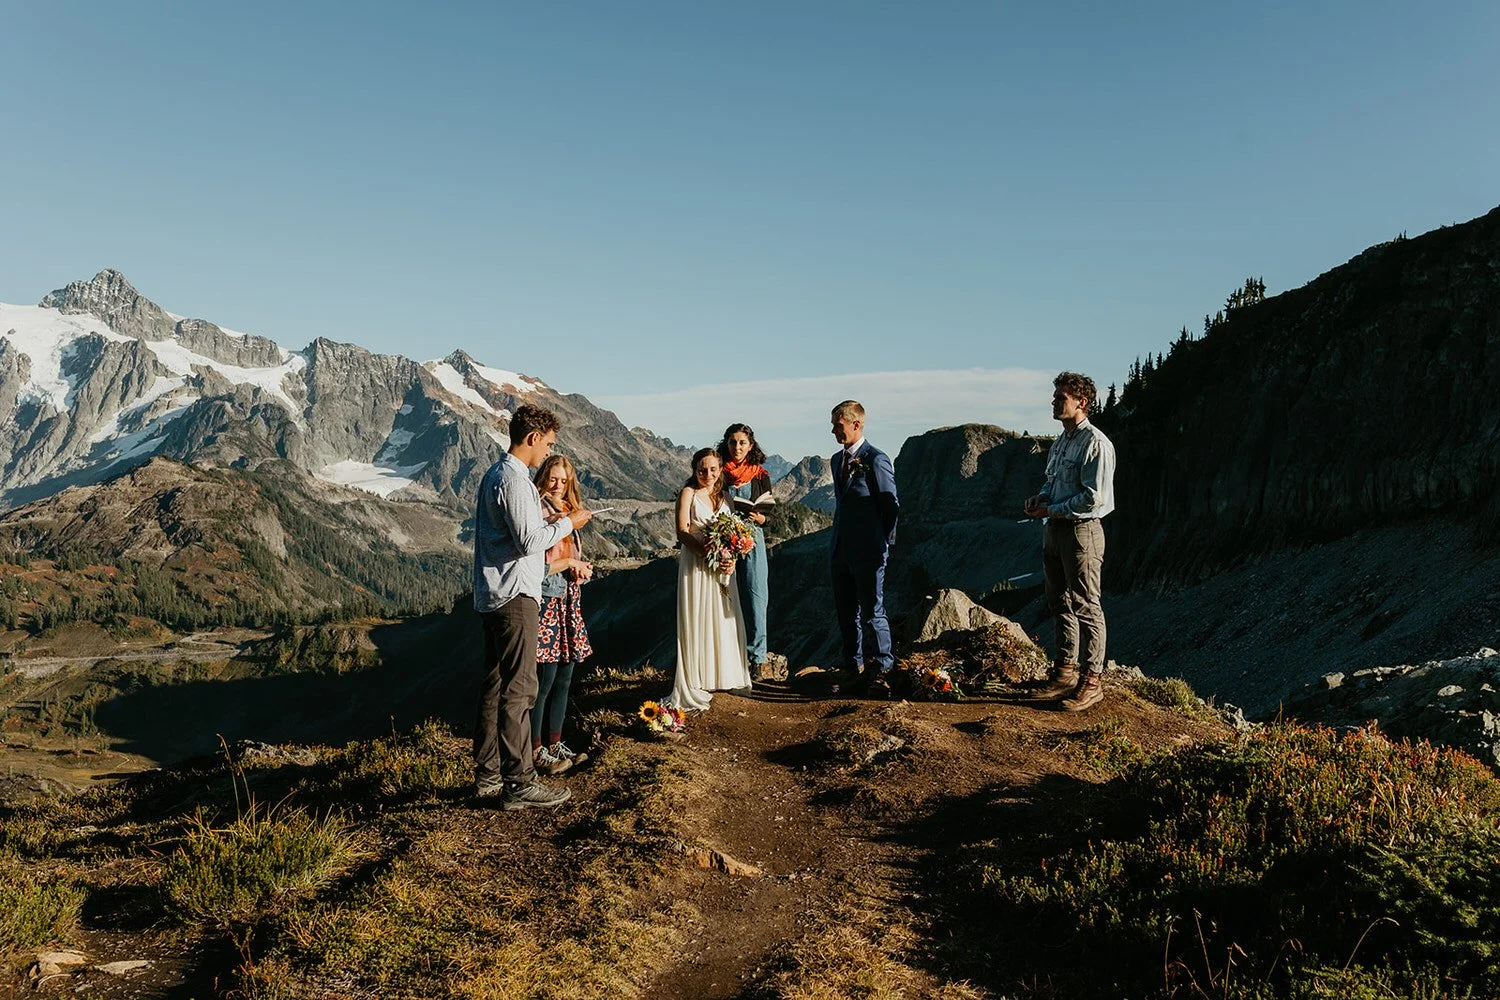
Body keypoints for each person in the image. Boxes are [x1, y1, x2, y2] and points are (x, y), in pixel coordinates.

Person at [472, 403, 591, 810]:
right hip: (515, 595)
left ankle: (488, 775)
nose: (548, 452)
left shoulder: (494, 475)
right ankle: (520, 781)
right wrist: (569, 524)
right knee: (521, 689)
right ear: (534, 438)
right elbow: (528, 541)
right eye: (549, 444)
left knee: (495, 686)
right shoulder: (515, 480)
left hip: (493, 593)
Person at [1024, 372, 1117, 712]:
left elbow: (1093, 499)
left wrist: (1052, 509)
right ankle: (1064, 672)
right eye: (1055, 397)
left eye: (1060, 398)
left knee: (1086, 604)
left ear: (1082, 402)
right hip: (1055, 528)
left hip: (1081, 531)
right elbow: (1052, 483)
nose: (1054, 402)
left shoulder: (1095, 443)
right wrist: (1040, 499)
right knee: (1058, 600)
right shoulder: (1062, 441)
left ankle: (1092, 681)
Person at [663, 447, 752, 710]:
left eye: (713, 469)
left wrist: (731, 558)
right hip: (696, 564)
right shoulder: (688, 493)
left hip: (722, 567)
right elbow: (682, 531)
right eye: (702, 470)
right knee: (698, 615)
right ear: (695, 470)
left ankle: (725, 675)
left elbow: (734, 533)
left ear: (720, 469)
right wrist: (707, 552)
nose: (708, 474)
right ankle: (698, 678)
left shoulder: (726, 497)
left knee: (724, 616)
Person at [828, 400, 900, 697]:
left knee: (873, 611)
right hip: (840, 549)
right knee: (846, 613)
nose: (833, 431)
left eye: (838, 425)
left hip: (869, 550)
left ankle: (882, 669)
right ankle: (852, 668)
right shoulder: (836, 460)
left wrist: (883, 543)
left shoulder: (876, 459)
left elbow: (890, 505)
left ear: (856, 424)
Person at [532, 455, 594, 776]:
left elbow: (570, 556)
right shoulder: (538, 511)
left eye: (564, 481)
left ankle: (555, 743)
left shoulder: (570, 513)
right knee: (545, 680)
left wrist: (580, 568)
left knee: (565, 677)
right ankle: (535, 749)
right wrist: (570, 564)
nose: (558, 486)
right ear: (543, 478)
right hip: (548, 604)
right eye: (553, 479)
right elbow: (536, 567)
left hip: (569, 600)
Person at [718, 423, 772, 682]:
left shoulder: (760, 475)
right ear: (726, 444)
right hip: (723, 538)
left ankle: (757, 659)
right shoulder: (718, 472)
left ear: (751, 446)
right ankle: (726, 658)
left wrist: (761, 518)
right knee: (722, 595)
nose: (737, 447)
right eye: (732, 442)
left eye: (742, 443)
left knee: (755, 596)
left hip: (752, 538)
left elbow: (769, 513)